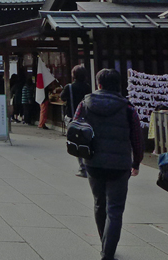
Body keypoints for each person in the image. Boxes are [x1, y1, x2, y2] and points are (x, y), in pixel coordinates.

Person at [74, 68, 143, 260]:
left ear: (99, 85)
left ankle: (104, 241)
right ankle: (108, 252)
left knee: (99, 203)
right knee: (115, 209)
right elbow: (137, 138)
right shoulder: (128, 108)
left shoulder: (85, 103)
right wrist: (136, 162)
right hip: (120, 165)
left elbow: (76, 127)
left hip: (93, 162)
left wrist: (81, 158)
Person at [61, 65, 92, 177]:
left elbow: (62, 97)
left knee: (76, 141)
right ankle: (87, 165)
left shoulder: (69, 87)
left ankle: (82, 166)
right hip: (86, 117)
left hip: (72, 117)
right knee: (85, 140)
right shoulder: (87, 87)